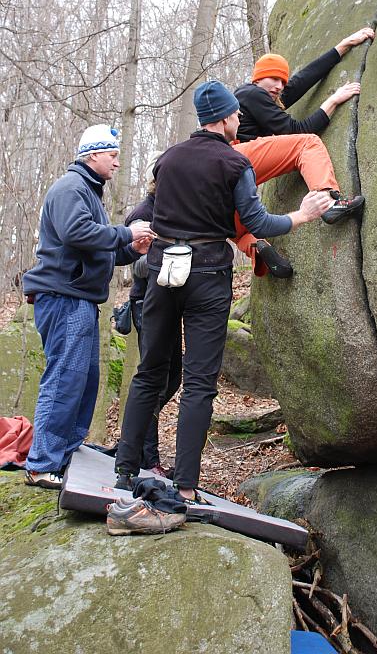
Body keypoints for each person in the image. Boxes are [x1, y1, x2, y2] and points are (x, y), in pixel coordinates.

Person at [115, 81, 332, 504]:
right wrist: (302, 215)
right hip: (207, 277)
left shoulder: (167, 160)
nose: (239, 121)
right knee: (198, 383)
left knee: (148, 374)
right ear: (228, 118)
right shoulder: (235, 163)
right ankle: (186, 485)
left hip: (162, 273)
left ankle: (124, 471)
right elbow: (259, 220)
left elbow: (155, 216)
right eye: (236, 116)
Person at [22, 125, 154, 490]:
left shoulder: (88, 192)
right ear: (93, 155)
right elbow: (76, 234)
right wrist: (127, 232)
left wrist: (131, 249)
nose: (117, 162)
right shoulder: (70, 188)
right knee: (65, 378)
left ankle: (65, 454)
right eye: (112, 155)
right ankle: (41, 464)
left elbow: (96, 247)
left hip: (78, 298)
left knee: (84, 381)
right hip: (63, 297)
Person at [231, 27, 375, 276]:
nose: (278, 86)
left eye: (281, 81)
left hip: (226, 176)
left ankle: (257, 248)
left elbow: (301, 81)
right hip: (239, 156)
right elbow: (296, 130)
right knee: (306, 143)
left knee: (238, 229)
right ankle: (328, 200)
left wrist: (343, 46)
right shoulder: (251, 93)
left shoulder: (257, 96)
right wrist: (333, 100)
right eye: (273, 79)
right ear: (258, 78)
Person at [124, 151, 181, 478]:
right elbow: (136, 265)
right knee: (154, 381)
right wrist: (167, 251)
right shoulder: (143, 213)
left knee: (175, 375)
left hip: (170, 302)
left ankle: (137, 431)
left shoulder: (168, 211)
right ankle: (148, 460)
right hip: (146, 303)